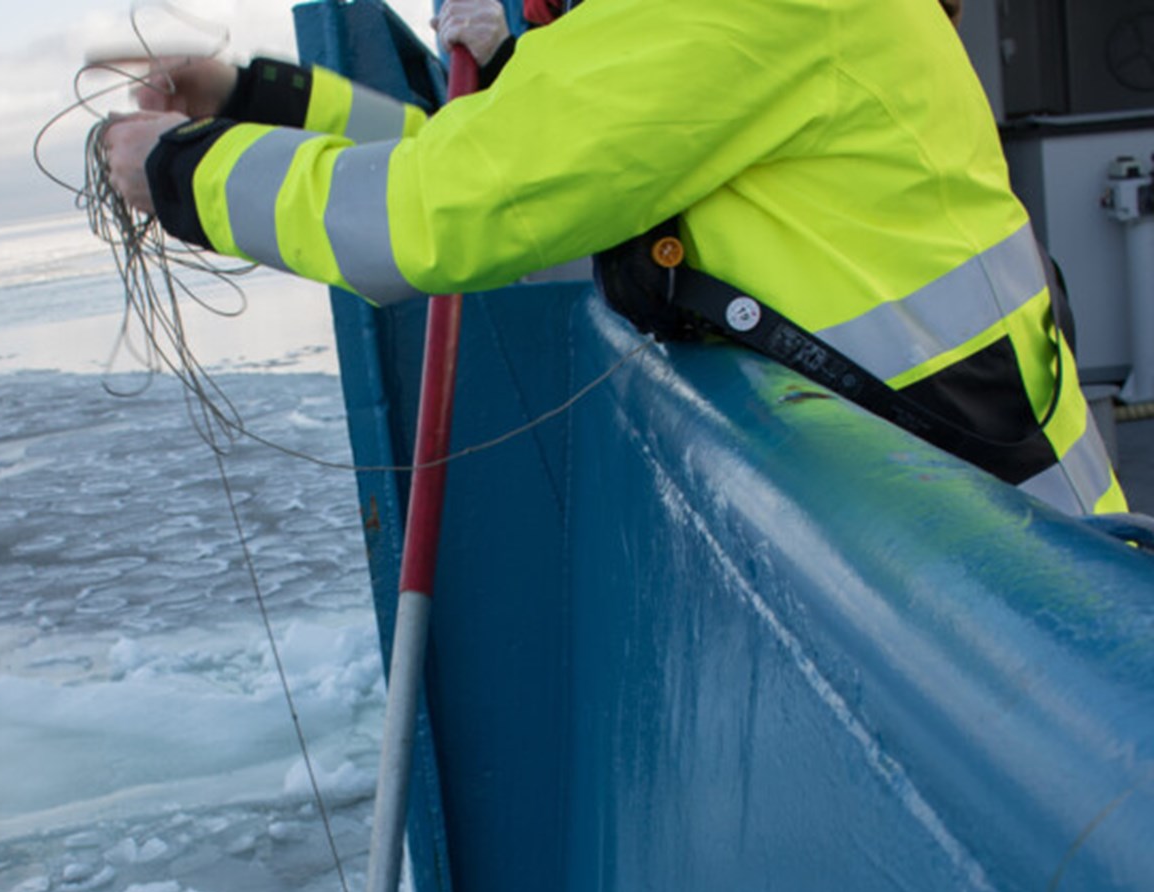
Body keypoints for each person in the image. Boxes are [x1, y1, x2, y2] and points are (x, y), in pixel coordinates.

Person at [103, 0, 1124, 516]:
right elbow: (477, 156)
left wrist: (178, 171)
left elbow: (441, 209)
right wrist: (253, 98)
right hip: (952, 538)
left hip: (1018, 571)